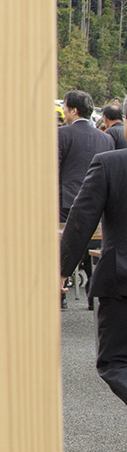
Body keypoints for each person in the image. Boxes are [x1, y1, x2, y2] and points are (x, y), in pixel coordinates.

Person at [60, 143, 127, 406]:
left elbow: (81, 221)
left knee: (115, 362)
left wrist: (62, 270)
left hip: (121, 281)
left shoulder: (110, 164)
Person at [60, 90, 113, 221]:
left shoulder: (61, 134)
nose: (63, 111)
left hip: (66, 202)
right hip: (97, 202)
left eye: (65, 107)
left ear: (74, 111)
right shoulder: (107, 139)